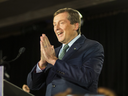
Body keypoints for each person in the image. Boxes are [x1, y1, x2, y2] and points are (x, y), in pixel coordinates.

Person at [27, 8, 104, 96]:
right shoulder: (53, 52)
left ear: (75, 26)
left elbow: (87, 78)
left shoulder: (92, 46)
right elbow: (32, 85)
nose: (56, 28)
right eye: (54, 24)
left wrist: (54, 61)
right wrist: (41, 64)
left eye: (61, 23)